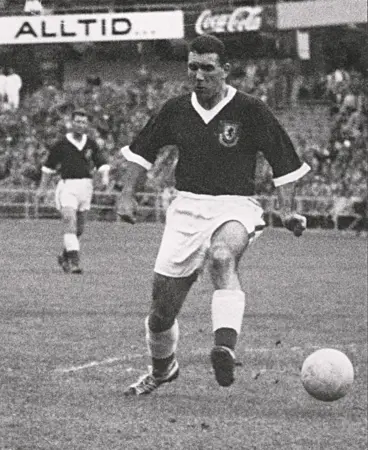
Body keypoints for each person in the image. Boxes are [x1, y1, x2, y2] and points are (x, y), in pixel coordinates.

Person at [116, 35, 310, 395]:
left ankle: (223, 347)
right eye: (193, 67)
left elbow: (285, 162)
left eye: (208, 68)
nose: (199, 75)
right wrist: (127, 195)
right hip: (187, 208)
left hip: (236, 205)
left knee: (222, 258)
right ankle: (162, 369)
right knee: (160, 315)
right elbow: (142, 152)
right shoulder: (175, 109)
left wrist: (287, 211)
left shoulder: (251, 110)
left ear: (225, 70)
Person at [37, 109, 110, 274]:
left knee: (79, 229)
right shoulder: (61, 144)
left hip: (86, 187)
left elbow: (102, 164)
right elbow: (48, 167)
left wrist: (104, 179)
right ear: (71, 123)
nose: (80, 125)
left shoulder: (91, 143)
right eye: (77, 121)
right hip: (67, 186)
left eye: (83, 122)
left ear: (87, 125)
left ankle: (65, 256)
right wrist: (42, 188)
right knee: (69, 221)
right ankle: (75, 263)